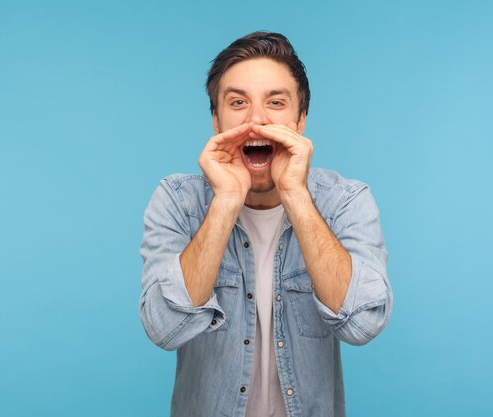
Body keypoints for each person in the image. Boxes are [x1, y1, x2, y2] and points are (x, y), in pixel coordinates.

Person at [139, 31, 392, 417]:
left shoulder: (345, 201)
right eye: (238, 102)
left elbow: (361, 325)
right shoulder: (178, 201)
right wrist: (226, 201)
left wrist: (296, 195)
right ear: (216, 120)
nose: (256, 121)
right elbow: (164, 327)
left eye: (275, 102)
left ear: (300, 120)